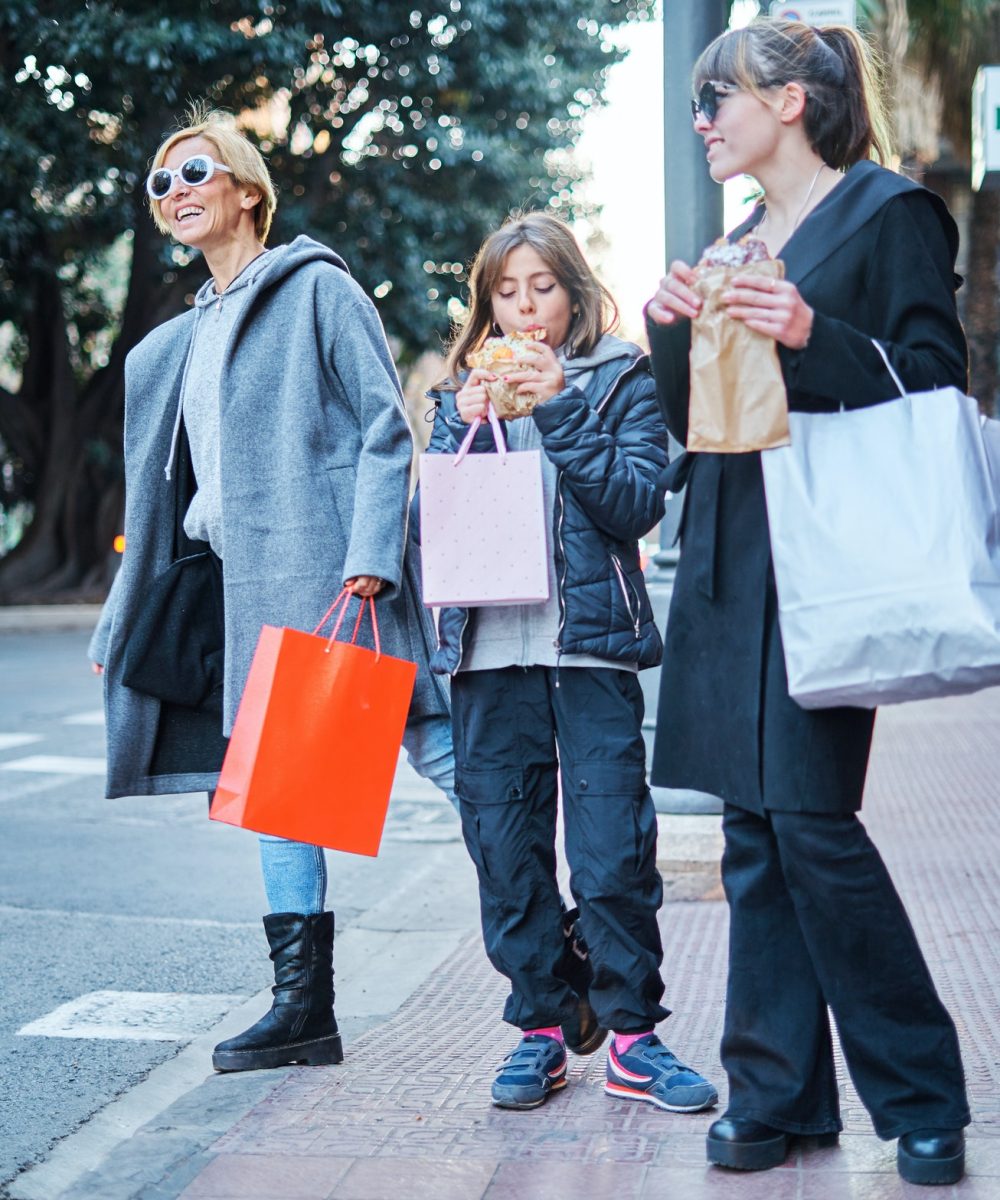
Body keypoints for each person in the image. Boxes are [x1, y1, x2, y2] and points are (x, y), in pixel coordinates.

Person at [645, 20, 970, 1186]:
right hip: (733, 557)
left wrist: (811, 333)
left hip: (829, 563)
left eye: (716, 97)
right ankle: (777, 1094)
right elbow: (696, 423)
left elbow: (935, 382)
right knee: (750, 829)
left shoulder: (890, 215)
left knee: (812, 826)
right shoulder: (733, 239)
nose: (702, 119)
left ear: (788, 101)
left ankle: (923, 1094)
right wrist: (667, 327)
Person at [88, 107, 456, 1074]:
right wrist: (121, 611)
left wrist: (370, 552)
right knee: (278, 793)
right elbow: (161, 497)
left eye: (195, 171)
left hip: (330, 568)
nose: (175, 193)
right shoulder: (182, 338)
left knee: (439, 743)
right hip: (236, 582)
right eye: (159, 184)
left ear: (247, 190)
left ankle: (564, 922)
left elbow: (387, 428)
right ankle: (302, 1010)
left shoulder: (313, 290)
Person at [418, 211, 717, 1114]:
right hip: (487, 657)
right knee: (505, 852)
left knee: (612, 851)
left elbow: (632, 502)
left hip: (590, 652)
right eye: (504, 294)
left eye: (540, 288)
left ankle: (632, 1036)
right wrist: (457, 428)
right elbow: (437, 518)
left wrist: (556, 402)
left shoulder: (620, 374)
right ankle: (540, 1030)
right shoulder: (457, 392)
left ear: (574, 292)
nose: (523, 311)